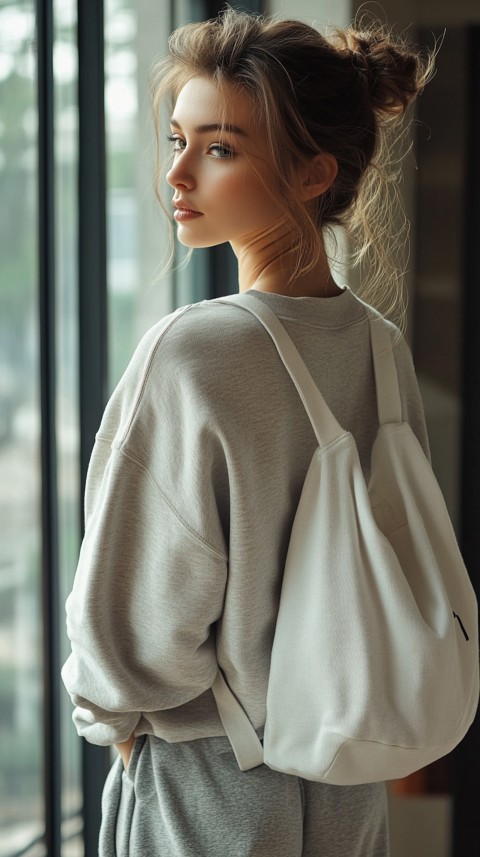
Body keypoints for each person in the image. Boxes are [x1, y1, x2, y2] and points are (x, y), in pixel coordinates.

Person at [62, 8, 434, 856]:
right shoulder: (380, 346)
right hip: (348, 777)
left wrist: (116, 725)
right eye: (176, 139)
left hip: (212, 781)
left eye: (219, 148)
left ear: (313, 174)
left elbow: (133, 631)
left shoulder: (192, 351)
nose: (178, 174)